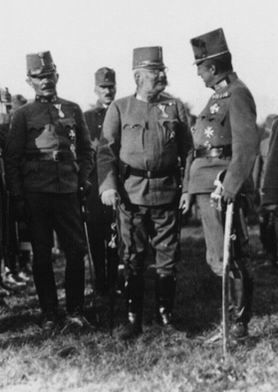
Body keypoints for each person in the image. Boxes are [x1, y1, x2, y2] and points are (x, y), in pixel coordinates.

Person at [97, 46, 193, 339]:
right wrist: (109, 186)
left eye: (162, 71)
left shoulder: (174, 107)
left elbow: (189, 152)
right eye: (155, 72)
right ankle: (133, 320)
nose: (162, 76)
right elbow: (105, 152)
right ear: (138, 76)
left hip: (167, 194)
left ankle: (167, 318)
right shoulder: (120, 108)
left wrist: (188, 189)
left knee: (168, 257)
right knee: (134, 257)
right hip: (131, 197)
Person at [5, 51, 94, 330]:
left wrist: (83, 178)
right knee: (42, 254)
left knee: (76, 250)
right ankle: (48, 314)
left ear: (57, 75)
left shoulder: (72, 109)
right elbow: (12, 158)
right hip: (36, 192)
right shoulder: (22, 115)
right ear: (29, 80)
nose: (45, 81)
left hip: (67, 189)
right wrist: (18, 195)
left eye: (49, 75)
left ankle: (76, 311)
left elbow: (85, 149)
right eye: (39, 77)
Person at [185, 28, 259, 339]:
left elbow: (246, 144)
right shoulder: (217, 96)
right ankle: (230, 322)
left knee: (230, 254)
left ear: (212, 67)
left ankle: (237, 326)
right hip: (206, 184)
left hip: (220, 185)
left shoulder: (237, 93)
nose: (199, 74)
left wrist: (231, 186)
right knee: (217, 255)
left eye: (200, 67)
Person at [84, 67, 118, 295]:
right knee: (96, 233)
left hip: (118, 181)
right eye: (103, 87)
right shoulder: (87, 118)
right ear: (95, 89)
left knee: (117, 233)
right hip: (95, 183)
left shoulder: (122, 110)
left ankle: (115, 280)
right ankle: (100, 281)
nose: (107, 91)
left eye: (111, 86)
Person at [253, 115, 278, 267]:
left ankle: (270, 253)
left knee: (268, 222)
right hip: (268, 188)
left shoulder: (264, 143)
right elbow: (267, 166)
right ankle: (270, 252)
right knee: (267, 223)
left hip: (267, 189)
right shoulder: (264, 144)